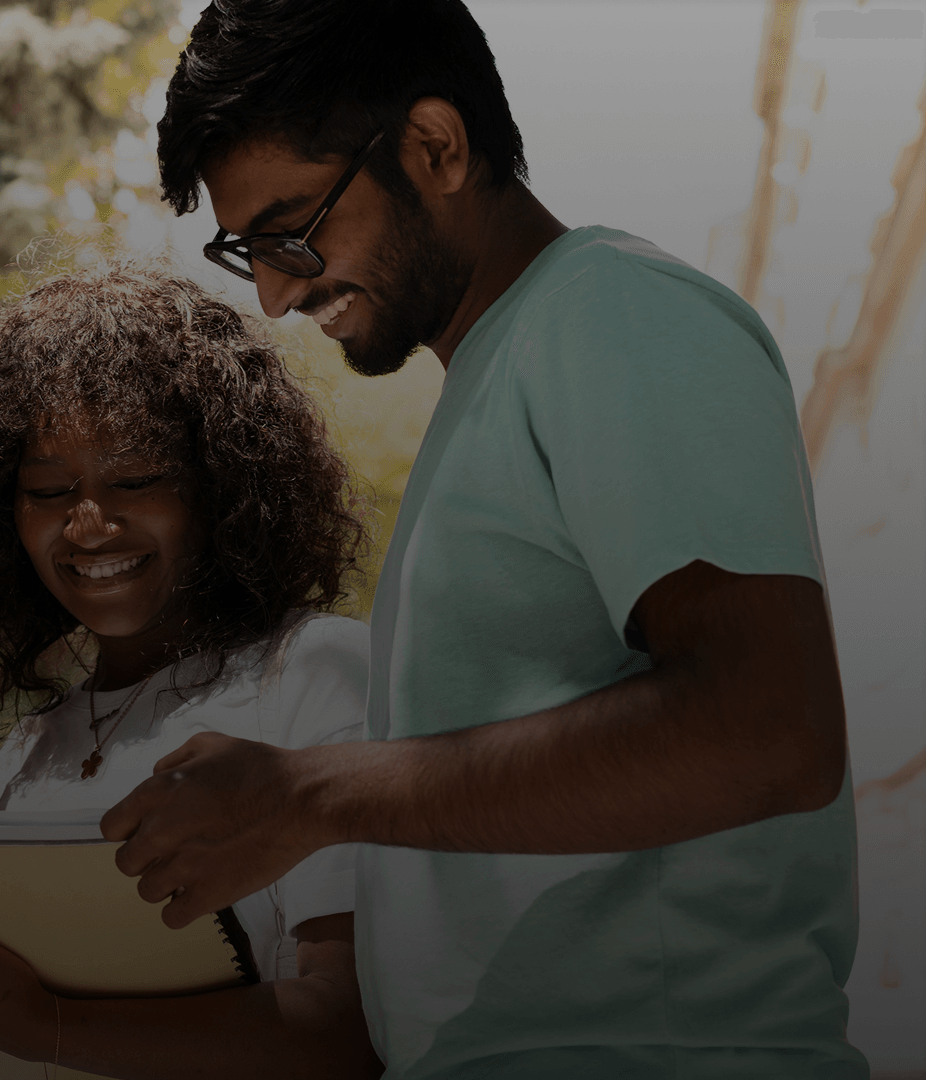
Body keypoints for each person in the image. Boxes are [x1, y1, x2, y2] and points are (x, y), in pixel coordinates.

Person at [100, 1, 867, 1077]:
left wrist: (309, 795)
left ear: (436, 146)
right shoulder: (502, 374)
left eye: (292, 228)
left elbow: (770, 730)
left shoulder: (616, 311)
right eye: (248, 252)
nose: (274, 294)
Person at [0, 263, 382, 1079]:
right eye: (49, 490)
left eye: (137, 479)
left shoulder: (311, 674)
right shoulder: (30, 752)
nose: (87, 524)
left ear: (222, 483)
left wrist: (41, 1027)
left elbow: (348, 1033)